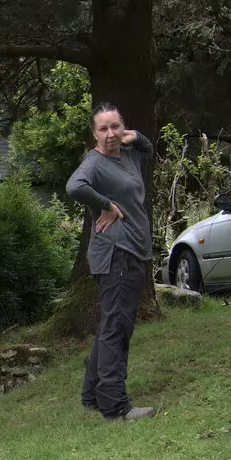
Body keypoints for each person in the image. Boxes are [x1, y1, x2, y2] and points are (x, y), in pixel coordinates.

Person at [67, 104, 156, 420]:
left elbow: (149, 149)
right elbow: (74, 187)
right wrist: (105, 206)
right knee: (117, 328)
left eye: (115, 127)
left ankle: (92, 394)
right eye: (103, 129)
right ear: (94, 134)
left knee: (111, 324)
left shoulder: (128, 154)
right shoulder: (94, 163)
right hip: (115, 253)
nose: (110, 134)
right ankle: (115, 405)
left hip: (131, 249)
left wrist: (136, 136)